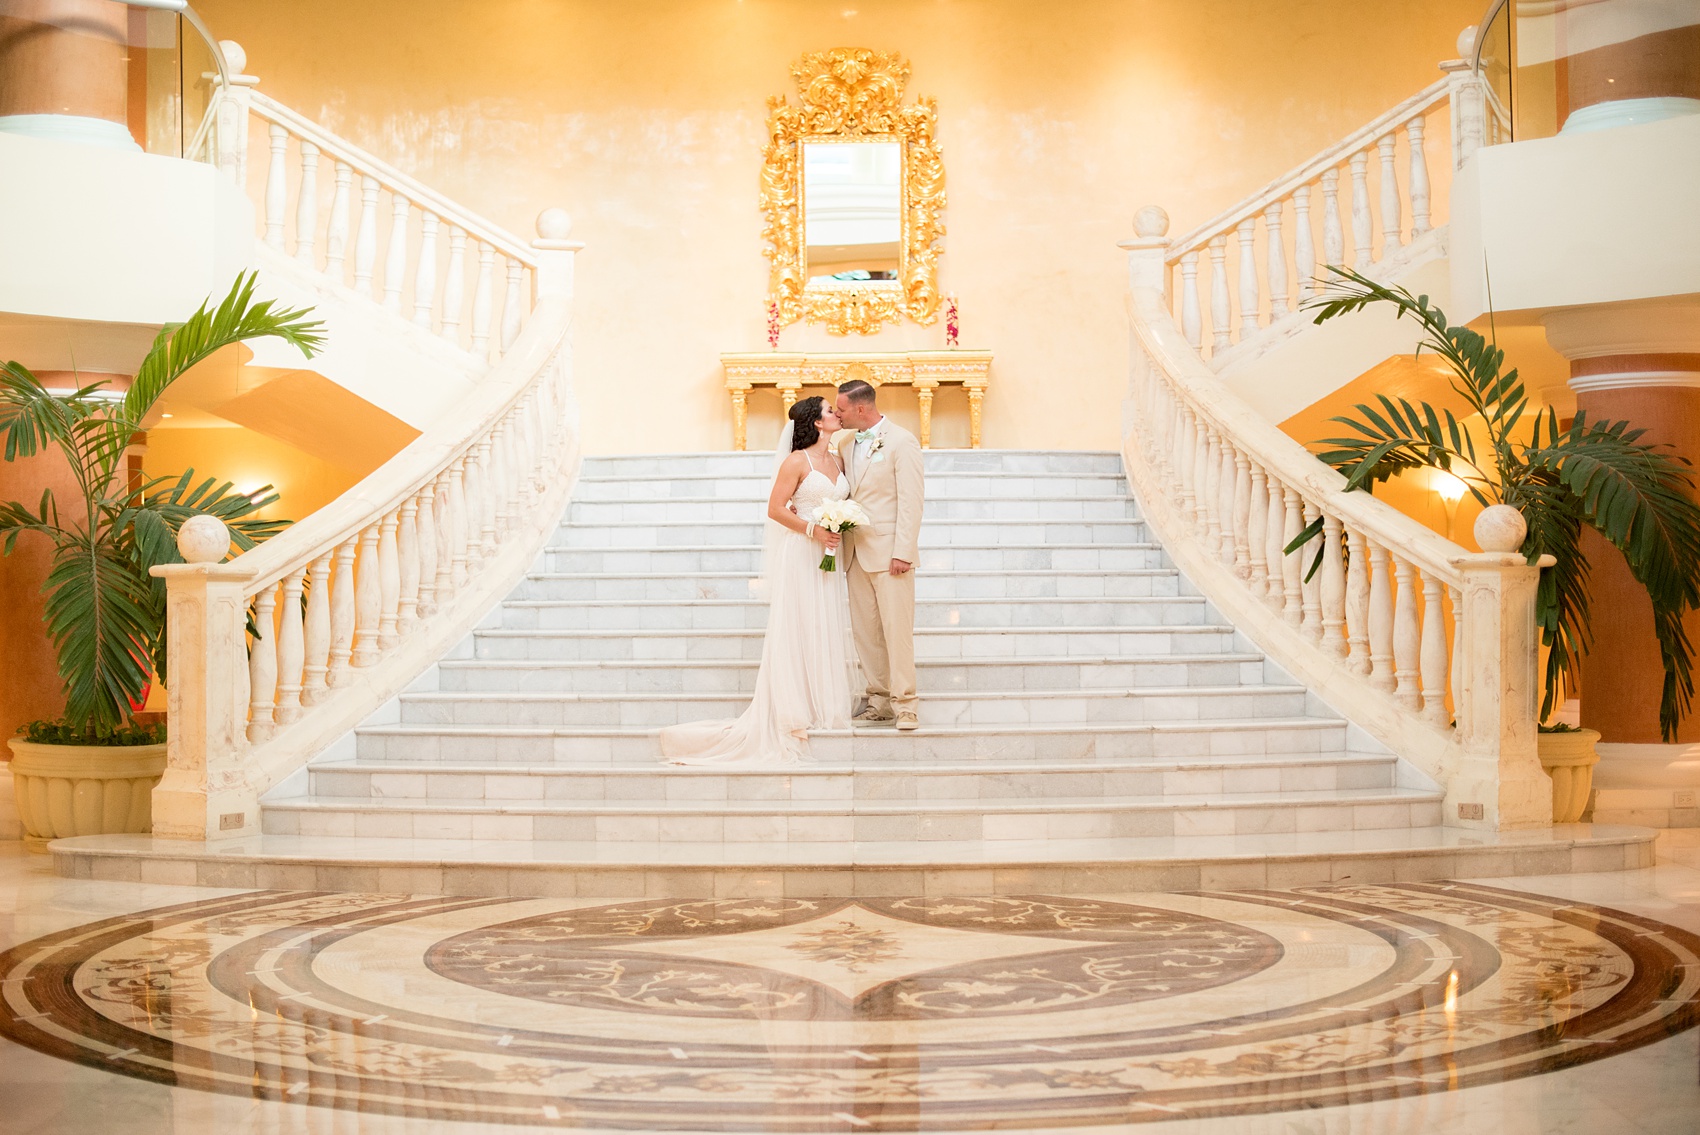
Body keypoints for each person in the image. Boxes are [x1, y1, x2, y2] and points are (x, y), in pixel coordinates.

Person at [660, 396, 853, 765]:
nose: (836, 414)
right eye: (830, 410)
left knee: (822, 623)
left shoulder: (840, 460)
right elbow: (776, 508)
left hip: (829, 550)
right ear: (815, 422)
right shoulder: (796, 461)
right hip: (802, 550)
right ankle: (792, 708)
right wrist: (812, 528)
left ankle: (822, 703)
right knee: (798, 624)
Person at [834, 377, 925, 731]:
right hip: (855, 551)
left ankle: (907, 705)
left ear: (860, 408)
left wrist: (903, 550)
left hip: (891, 554)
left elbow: (911, 501)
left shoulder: (902, 441)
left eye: (841, 409)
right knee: (865, 632)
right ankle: (880, 701)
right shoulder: (843, 443)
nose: (838, 415)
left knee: (896, 630)